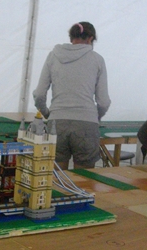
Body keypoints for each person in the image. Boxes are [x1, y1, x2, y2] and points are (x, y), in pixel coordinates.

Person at [33, 22, 111, 170]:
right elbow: (103, 102)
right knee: (84, 179)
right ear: (90, 38)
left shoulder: (53, 56)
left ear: (71, 37)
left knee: (57, 177)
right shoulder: (97, 59)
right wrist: (96, 117)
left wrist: (48, 114)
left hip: (57, 122)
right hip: (86, 124)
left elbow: (39, 94)